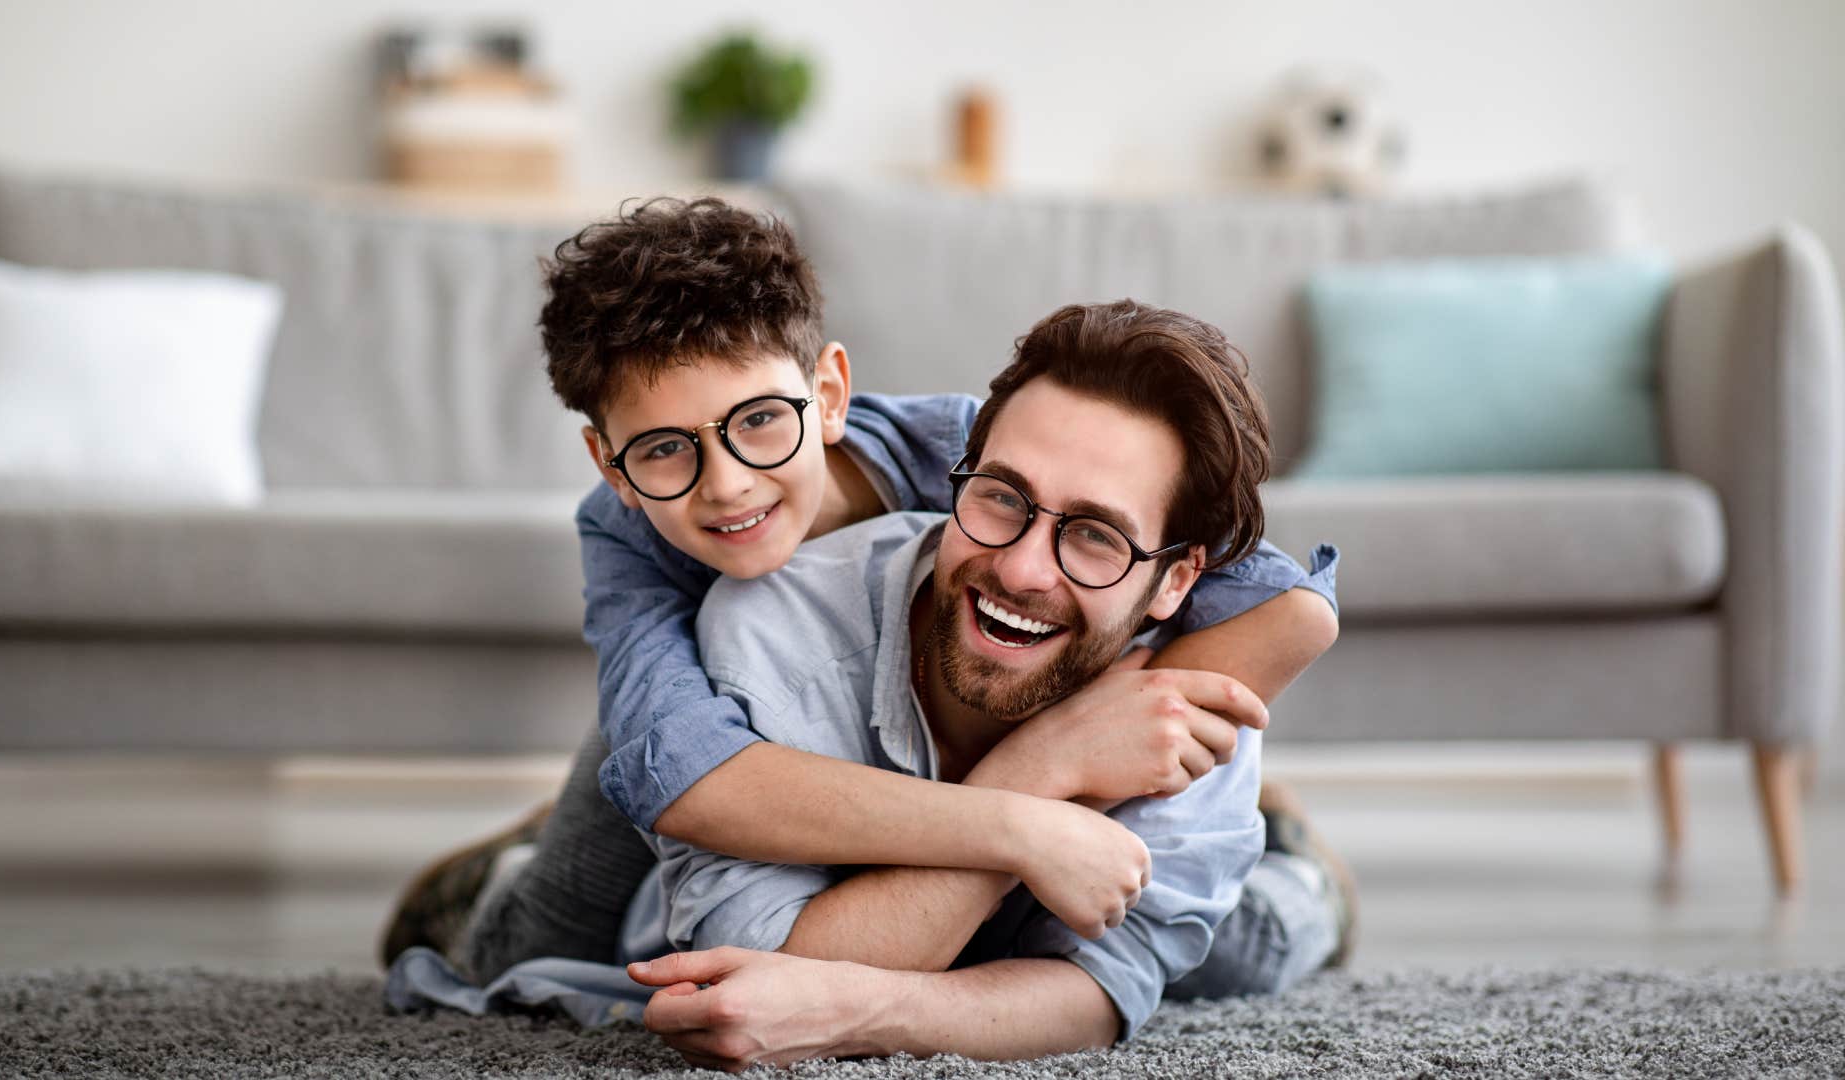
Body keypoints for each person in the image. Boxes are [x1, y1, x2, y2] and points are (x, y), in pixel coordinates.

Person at [380, 201, 1348, 1033]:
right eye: (667, 451)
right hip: (686, 726)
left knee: (1224, 955)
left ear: (830, 393)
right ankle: (497, 871)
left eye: (764, 422)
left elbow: (1296, 611)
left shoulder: (980, 446)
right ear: (610, 465)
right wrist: (1032, 793)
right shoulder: (638, 543)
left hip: (866, 740)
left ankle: (1296, 864)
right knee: (540, 942)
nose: (728, 487)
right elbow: (688, 781)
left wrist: (1156, 730)